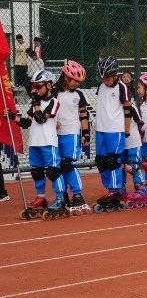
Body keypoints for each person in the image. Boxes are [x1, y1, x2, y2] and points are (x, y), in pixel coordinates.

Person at [19, 70, 65, 216]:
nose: (35, 89)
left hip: (48, 141)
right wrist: (12, 116)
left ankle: (60, 198)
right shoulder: (35, 102)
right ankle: (41, 198)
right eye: (34, 86)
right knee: (37, 172)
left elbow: (40, 118)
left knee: (53, 171)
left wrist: (36, 102)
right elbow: (27, 122)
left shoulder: (54, 102)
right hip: (35, 142)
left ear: (49, 85)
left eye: (38, 86)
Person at [93, 56, 132, 210]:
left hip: (115, 129)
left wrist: (127, 129)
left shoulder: (122, 87)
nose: (105, 81)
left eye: (107, 78)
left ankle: (115, 189)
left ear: (115, 74)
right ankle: (110, 188)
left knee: (113, 160)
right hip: (101, 129)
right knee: (101, 161)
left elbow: (128, 109)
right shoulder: (101, 87)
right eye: (102, 78)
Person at [54, 61, 92, 212]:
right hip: (55, 134)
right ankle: (62, 195)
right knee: (58, 166)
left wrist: (86, 134)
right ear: (65, 77)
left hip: (72, 132)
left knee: (68, 164)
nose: (76, 84)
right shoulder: (55, 93)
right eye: (73, 80)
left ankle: (77, 195)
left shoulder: (79, 95)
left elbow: (84, 116)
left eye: (78, 82)